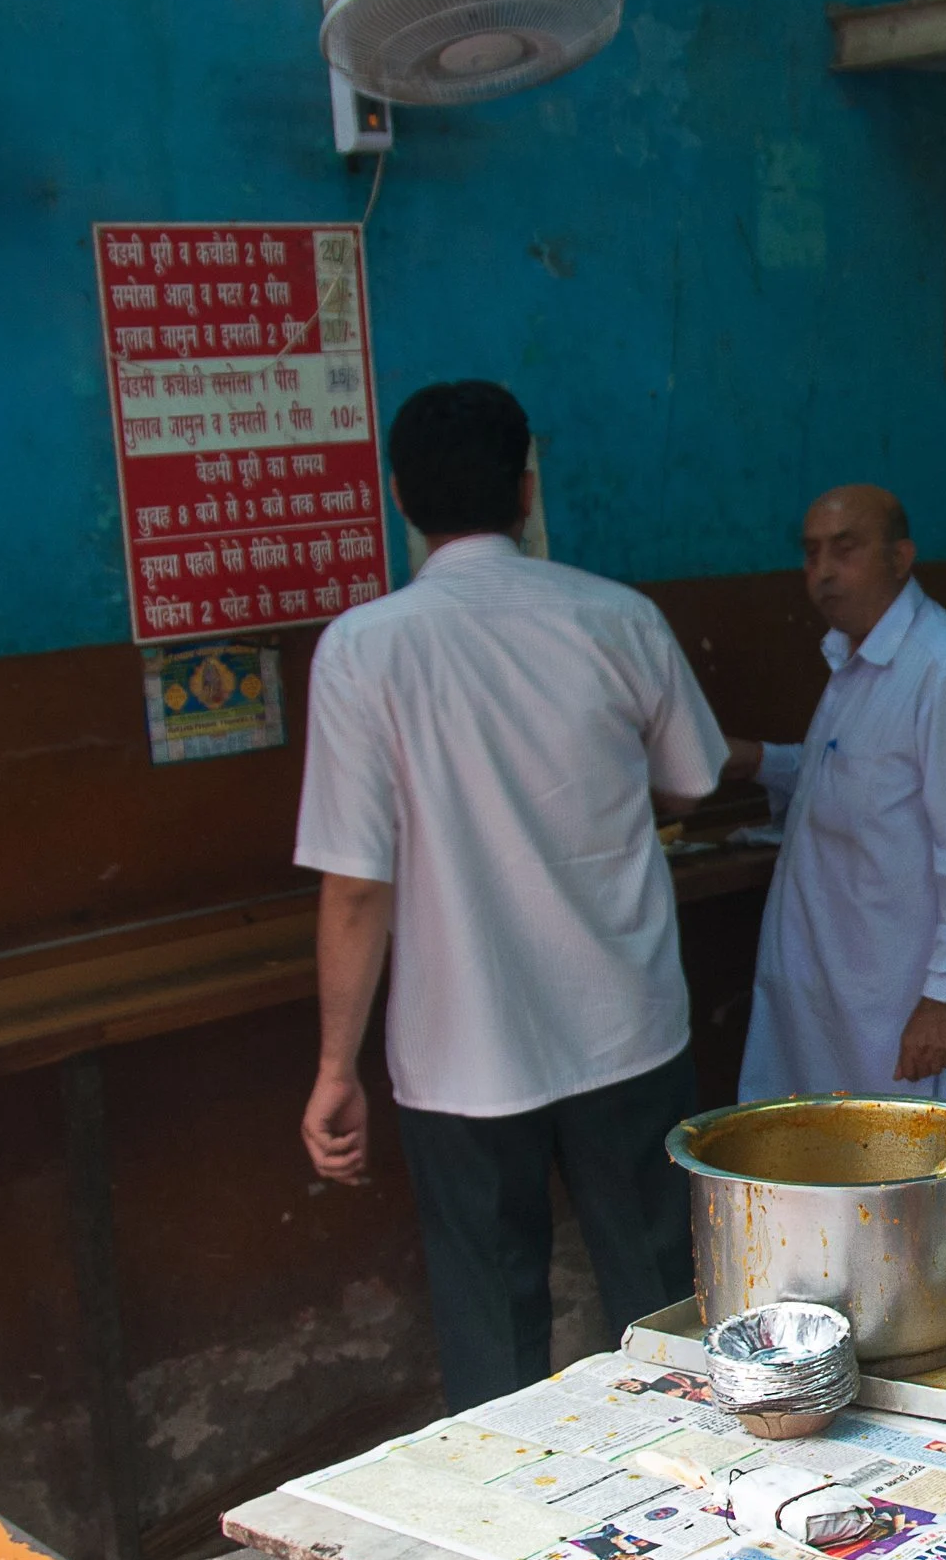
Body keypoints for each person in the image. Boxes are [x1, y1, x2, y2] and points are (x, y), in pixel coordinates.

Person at [297, 380, 728, 1412]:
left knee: (491, 1323)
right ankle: (703, 1510)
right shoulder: (617, 617)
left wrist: (333, 1068)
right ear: (526, 489)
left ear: (401, 497)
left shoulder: (365, 648)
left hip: (462, 1050)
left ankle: (511, 1538)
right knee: (665, 1303)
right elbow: (696, 777)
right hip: (624, 1027)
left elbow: (357, 888)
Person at [724, 486, 946, 1107]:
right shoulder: (856, 663)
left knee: (927, 1170)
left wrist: (942, 1000)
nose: (823, 573)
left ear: (902, 557)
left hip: (908, 1000)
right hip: (846, 988)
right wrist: (757, 762)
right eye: (811, 555)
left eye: (846, 550)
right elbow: (853, 775)